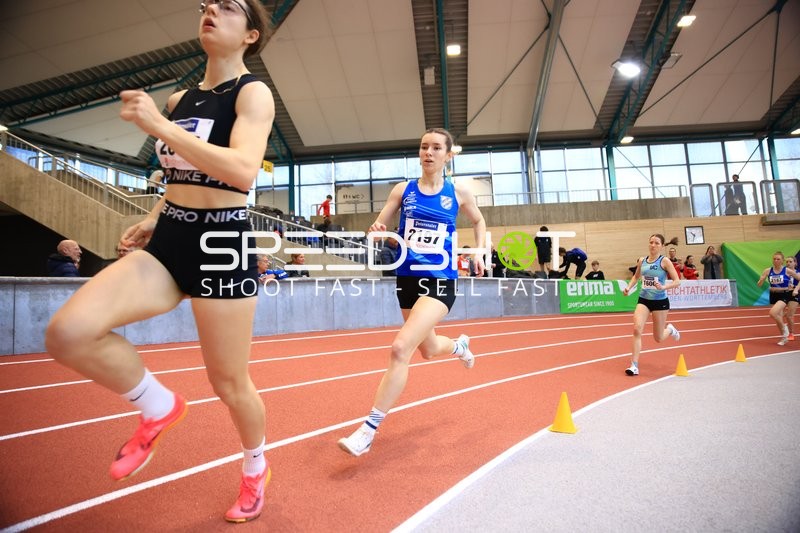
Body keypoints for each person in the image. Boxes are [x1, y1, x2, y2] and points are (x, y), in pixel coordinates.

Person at [45, 0, 275, 523]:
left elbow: (240, 172)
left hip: (222, 244)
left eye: (229, 7)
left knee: (229, 383)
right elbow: (184, 172)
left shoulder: (253, 92)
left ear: (251, 35)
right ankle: (157, 406)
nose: (211, 9)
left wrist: (158, 125)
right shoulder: (181, 99)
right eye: (207, 4)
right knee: (68, 332)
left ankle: (255, 466)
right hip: (171, 237)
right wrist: (156, 213)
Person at [337, 127, 486, 457]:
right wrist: (378, 231)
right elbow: (377, 232)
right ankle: (459, 346)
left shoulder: (458, 192)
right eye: (423, 147)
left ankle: (368, 430)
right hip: (406, 278)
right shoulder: (403, 190)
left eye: (436, 148)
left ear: (448, 155)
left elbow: (478, 221)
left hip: (440, 279)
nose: (428, 153)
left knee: (400, 347)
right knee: (429, 349)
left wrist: (479, 251)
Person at [622, 235, 682, 376]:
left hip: (660, 302)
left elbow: (677, 281)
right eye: (651, 242)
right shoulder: (642, 261)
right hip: (644, 299)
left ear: (661, 246)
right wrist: (629, 287)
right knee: (637, 329)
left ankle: (670, 330)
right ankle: (634, 365)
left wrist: (663, 287)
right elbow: (636, 277)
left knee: (658, 338)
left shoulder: (665, 261)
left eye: (656, 243)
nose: (653, 245)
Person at [756, 251, 800, 346]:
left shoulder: (787, 271)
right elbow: (759, 285)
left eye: (778, 259)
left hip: (784, 294)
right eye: (774, 259)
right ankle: (784, 337)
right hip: (773, 294)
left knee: (773, 313)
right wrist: (762, 280)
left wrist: (796, 289)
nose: (776, 260)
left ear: (782, 261)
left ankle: (786, 330)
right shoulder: (768, 270)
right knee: (778, 317)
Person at [784, 256, 799, 342]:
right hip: (784, 293)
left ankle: (791, 333)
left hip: (794, 294)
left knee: (789, 316)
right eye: (787, 262)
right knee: (777, 313)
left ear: (795, 263)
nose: (788, 263)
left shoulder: (798, 273)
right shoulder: (783, 273)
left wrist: (794, 287)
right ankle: (787, 323)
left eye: (790, 261)